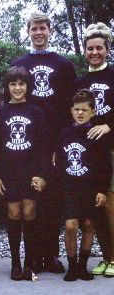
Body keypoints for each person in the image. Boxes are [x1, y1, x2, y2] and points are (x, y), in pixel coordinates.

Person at [0, 11, 77, 273]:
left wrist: (64, 143)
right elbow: (6, 105)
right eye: (33, 28)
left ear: (50, 31)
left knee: (50, 203)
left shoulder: (64, 65)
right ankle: (32, 257)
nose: (38, 32)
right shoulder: (20, 64)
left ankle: (50, 256)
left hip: (54, 144)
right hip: (23, 148)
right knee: (27, 206)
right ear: (28, 31)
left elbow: (73, 105)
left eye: (43, 28)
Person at [0, 66, 51, 280]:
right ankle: (15, 263)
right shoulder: (0, 113)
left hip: (31, 171)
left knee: (30, 213)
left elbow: (44, 146)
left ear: (27, 86)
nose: (17, 88)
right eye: (13, 84)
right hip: (9, 172)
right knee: (14, 214)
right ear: (7, 87)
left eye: (21, 83)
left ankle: (30, 263)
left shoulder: (36, 112)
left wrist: (43, 174)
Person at [55, 89, 112, 281]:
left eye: (84, 110)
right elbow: (60, 164)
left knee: (88, 225)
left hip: (90, 190)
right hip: (70, 189)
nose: (80, 113)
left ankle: (82, 266)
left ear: (93, 112)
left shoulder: (97, 135)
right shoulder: (64, 135)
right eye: (77, 109)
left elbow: (105, 167)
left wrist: (102, 191)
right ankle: (72, 266)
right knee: (71, 227)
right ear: (71, 111)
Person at [76, 22, 114, 276]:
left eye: (99, 48)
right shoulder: (81, 80)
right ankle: (107, 257)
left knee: (111, 205)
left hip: (110, 150)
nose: (94, 53)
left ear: (107, 50)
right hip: (89, 152)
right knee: (96, 207)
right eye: (90, 48)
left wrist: (108, 127)